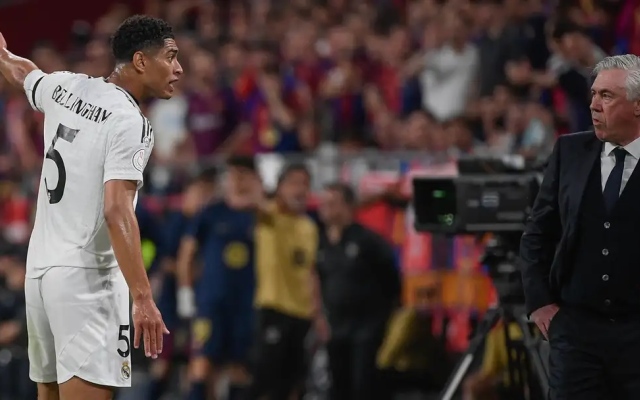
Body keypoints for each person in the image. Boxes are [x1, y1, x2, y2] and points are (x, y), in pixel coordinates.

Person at [0, 15, 183, 400]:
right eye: (170, 57)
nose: (179, 69)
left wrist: (2, 55)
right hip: (88, 281)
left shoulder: (67, 86)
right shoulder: (130, 122)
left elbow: (24, 74)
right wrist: (143, 297)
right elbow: (117, 211)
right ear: (140, 61)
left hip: (41, 273)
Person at [520, 54, 640, 400]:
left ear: (637, 106)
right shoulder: (569, 150)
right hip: (576, 332)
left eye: (607, 96)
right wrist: (540, 302)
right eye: (593, 94)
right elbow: (537, 233)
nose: (594, 105)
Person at [176, 156, 258, 400]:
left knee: (239, 368)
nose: (237, 181)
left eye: (243, 175)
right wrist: (185, 293)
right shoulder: (210, 213)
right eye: (233, 175)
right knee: (202, 364)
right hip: (211, 303)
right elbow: (186, 254)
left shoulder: (260, 215)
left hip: (246, 304)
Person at [315, 183, 400, 400]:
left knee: (363, 384)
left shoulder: (369, 241)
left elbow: (391, 278)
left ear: (348, 206)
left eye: (332, 203)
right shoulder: (320, 242)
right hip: (335, 326)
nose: (326, 208)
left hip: (366, 327)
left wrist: (384, 315)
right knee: (337, 385)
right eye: (324, 203)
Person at [246, 163, 319, 400]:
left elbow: (311, 271)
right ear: (280, 188)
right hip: (274, 309)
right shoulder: (269, 215)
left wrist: (317, 313)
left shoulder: (309, 227)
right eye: (294, 183)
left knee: (293, 384)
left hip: (302, 314)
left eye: (305, 184)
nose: (300, 190)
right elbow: (252, 202)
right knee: (263, 381)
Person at [146, 167, 217, 400]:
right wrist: (191, 272)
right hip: (171, 303)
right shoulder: (177, 222)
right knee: (164, 362)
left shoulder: (204, 222)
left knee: (193, 361)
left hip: (200, 302)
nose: (203, 198)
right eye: (199, 192)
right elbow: (165, 262)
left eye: (207, 193)